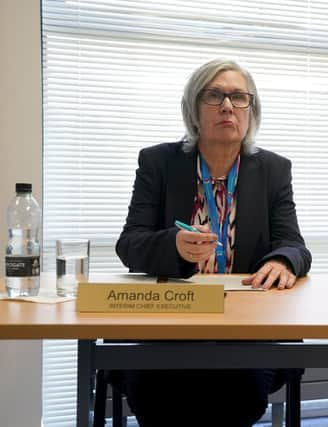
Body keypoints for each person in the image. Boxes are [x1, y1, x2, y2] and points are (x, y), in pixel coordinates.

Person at [113, 59, 311, 426]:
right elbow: (130, 244)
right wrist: (173, 246)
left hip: (247, 326)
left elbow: (294, 244)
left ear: (251, 111)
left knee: (241, 387)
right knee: (152, 387)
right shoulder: (158, 162)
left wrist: (282, 262)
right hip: (168, 320)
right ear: (193, 108)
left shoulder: (273, 169)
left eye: (239, 97)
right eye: (214, 95)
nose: (227, 106)